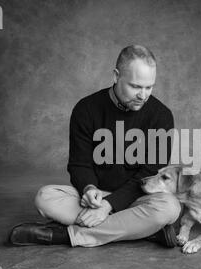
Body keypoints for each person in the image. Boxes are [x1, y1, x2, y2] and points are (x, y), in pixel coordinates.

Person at [9, 45, 181, 248]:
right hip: (94, 199)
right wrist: (89, 189)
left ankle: (64, 236)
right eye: (135, 86)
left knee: (169, 208)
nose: (143, 96)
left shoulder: (161, 116)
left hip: (137, 199)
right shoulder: (86, 109)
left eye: (149, 87)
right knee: (45, 197)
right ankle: (144, 230)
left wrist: (109, 206)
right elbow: (79, 164)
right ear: (116, 76)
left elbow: (150, 172)